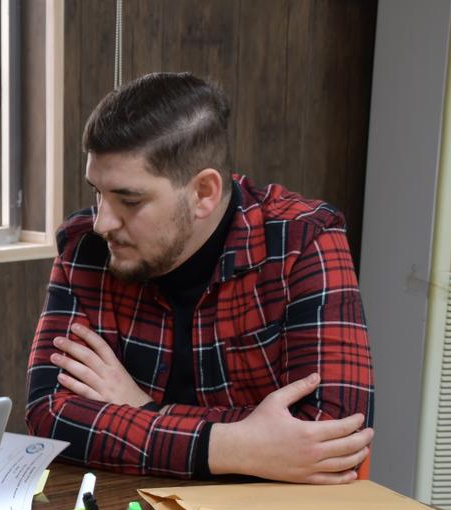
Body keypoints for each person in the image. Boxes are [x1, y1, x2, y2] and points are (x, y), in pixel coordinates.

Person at [25, 73, 374, 484]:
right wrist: (231, 446)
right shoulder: (84, 247)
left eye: (129, 200)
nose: (102, 222)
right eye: (97, 192)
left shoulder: (304, 240)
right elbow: (49, 415)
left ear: (204, 193)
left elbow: (332, 434)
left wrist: (141, 409)